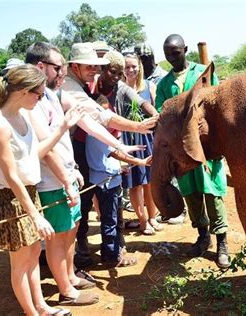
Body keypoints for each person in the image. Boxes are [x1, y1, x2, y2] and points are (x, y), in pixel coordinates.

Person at [0, 64, 83, 315]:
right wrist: (35, 215)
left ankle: (41, 307)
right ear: (23, 91)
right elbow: (11, 176)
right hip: (12, 199)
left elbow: (34, 156)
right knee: (21, 262)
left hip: (29, 194)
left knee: (32, 256)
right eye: (38, 94)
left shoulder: (24, 116)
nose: (40, 99)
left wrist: (62, 127)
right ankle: (32, 313)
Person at [62, 42, 158, 265]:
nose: (114, 76)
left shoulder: (114, 87)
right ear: (76, 67)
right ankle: (86, 252)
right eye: (94, 67)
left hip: (102, 155)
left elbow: (140, 101)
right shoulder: (76, 88)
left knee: (109, 211)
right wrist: (138, 129)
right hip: (85, 153)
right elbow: (99, 118)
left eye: (119, 72)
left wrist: (153, 116)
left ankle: (110, 250)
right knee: (86, 205)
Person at [25, 42, 99, 306]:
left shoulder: (49, 95)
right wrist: (66, 180)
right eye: (59, 68)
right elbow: (47, 150)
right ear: (40, 67)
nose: (63, 73)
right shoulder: (30, 101)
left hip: (66, 177)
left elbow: (64, 144)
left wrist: (73, 170)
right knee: (58, 236)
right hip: (51, 183)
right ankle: (66, 290)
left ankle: (70, 276)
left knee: (71, 230)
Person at [156, 34, 230, 269]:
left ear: (185, 50)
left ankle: (222, 243)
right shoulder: (164, 84)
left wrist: (219, 143)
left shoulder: (203, 72)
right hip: (182, 151)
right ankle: (202, 235)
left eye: (176, 53)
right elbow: (163, 115)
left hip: (207, 147)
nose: (172, 58)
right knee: (191, 194)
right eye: (168, 54)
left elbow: (218, 105)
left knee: (213, 193)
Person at [85, 123, 153, 267]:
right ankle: (112, 256)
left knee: (114, 220)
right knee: (110, 220)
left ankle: (112, 251)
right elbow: (114, 153)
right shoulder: (97, 135)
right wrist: (139, 161)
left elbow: (108, 157)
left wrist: (120, 167)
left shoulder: (101, 134)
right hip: (106, 184)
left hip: (110, 180)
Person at [122, 52, 163, 234]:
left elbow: (154, 111)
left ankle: (153, 217)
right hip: (127, 139)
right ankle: (143, 221)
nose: (130, 70)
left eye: (133, 66)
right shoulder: (119, 89)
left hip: (148, 138)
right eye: (127, 66)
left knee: (150, 181)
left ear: (140, 66)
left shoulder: (149, 86)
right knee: (135, 183)